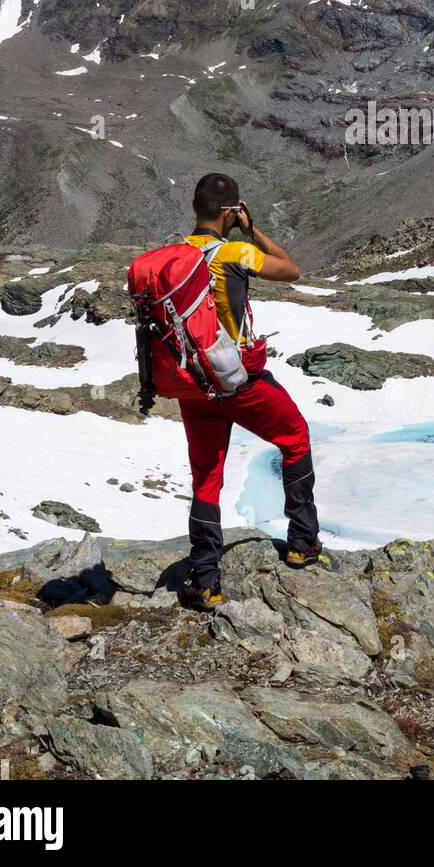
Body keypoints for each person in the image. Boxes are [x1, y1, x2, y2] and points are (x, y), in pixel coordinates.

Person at [177, 172, 321, 611]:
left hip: (193, 385)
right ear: (229, 211)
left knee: (207, 476)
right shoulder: (236, 251)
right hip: (236, 380)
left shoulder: (175, 254)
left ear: (194, 208)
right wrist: (251, 228)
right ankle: (302, 544)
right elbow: (291, 269)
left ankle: (206, 580)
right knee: (294, 436)